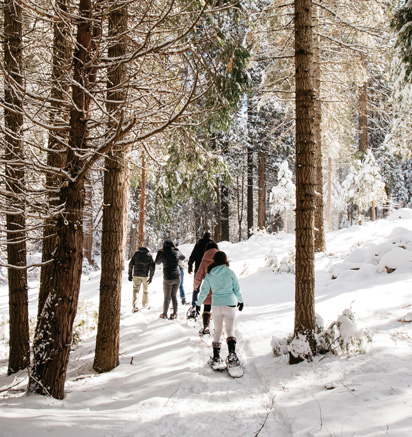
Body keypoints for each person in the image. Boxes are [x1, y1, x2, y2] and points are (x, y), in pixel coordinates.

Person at [196, 251, 244, 370]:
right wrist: (240, 301)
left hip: (216, 305)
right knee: (230, 330)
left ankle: (216, 357)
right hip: (230, 304)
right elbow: (237, 289)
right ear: (225, 260)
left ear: (214, 261)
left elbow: (204, 291)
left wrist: (198, 304)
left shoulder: (210, 274)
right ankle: (232, 355)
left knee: (217, 331)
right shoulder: (230, 273)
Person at [193, 241, 219, 335]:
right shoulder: (220, 257)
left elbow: (199, 275)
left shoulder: (204, 259)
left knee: (207, 306)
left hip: (208, 286)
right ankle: (218, 328)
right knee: (218, 307)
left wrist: (195, 286)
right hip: (219, 287)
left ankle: (206, 326)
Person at [155, 239, 185, 320]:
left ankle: (164, 314)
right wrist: (177, 249)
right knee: (174, 296)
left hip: (167, 278)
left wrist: (159, 252)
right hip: (177, 277)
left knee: (166, 297)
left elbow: (157, 262)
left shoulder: (163, 253)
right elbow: (183, 257)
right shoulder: (176, 252)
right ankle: (175, 313)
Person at [188, 231, 213, 306]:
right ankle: (208, 305)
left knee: (196, 288)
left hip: (198, 268)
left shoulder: (198, 245)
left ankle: (194, 304)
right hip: (209, 270)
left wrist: (190, 266)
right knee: (209, 289)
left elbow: (192, 256)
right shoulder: (212, 246)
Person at [128, 247, 155, 312]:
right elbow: (152, 267)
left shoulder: (136, 254)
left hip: (136, 275)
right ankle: (145, 305)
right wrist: (151, 277)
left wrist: (130, 274)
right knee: (145, 290)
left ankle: (135, 305)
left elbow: (131, 264)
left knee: (135, 290)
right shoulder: (149, 256)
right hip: (145, 276)